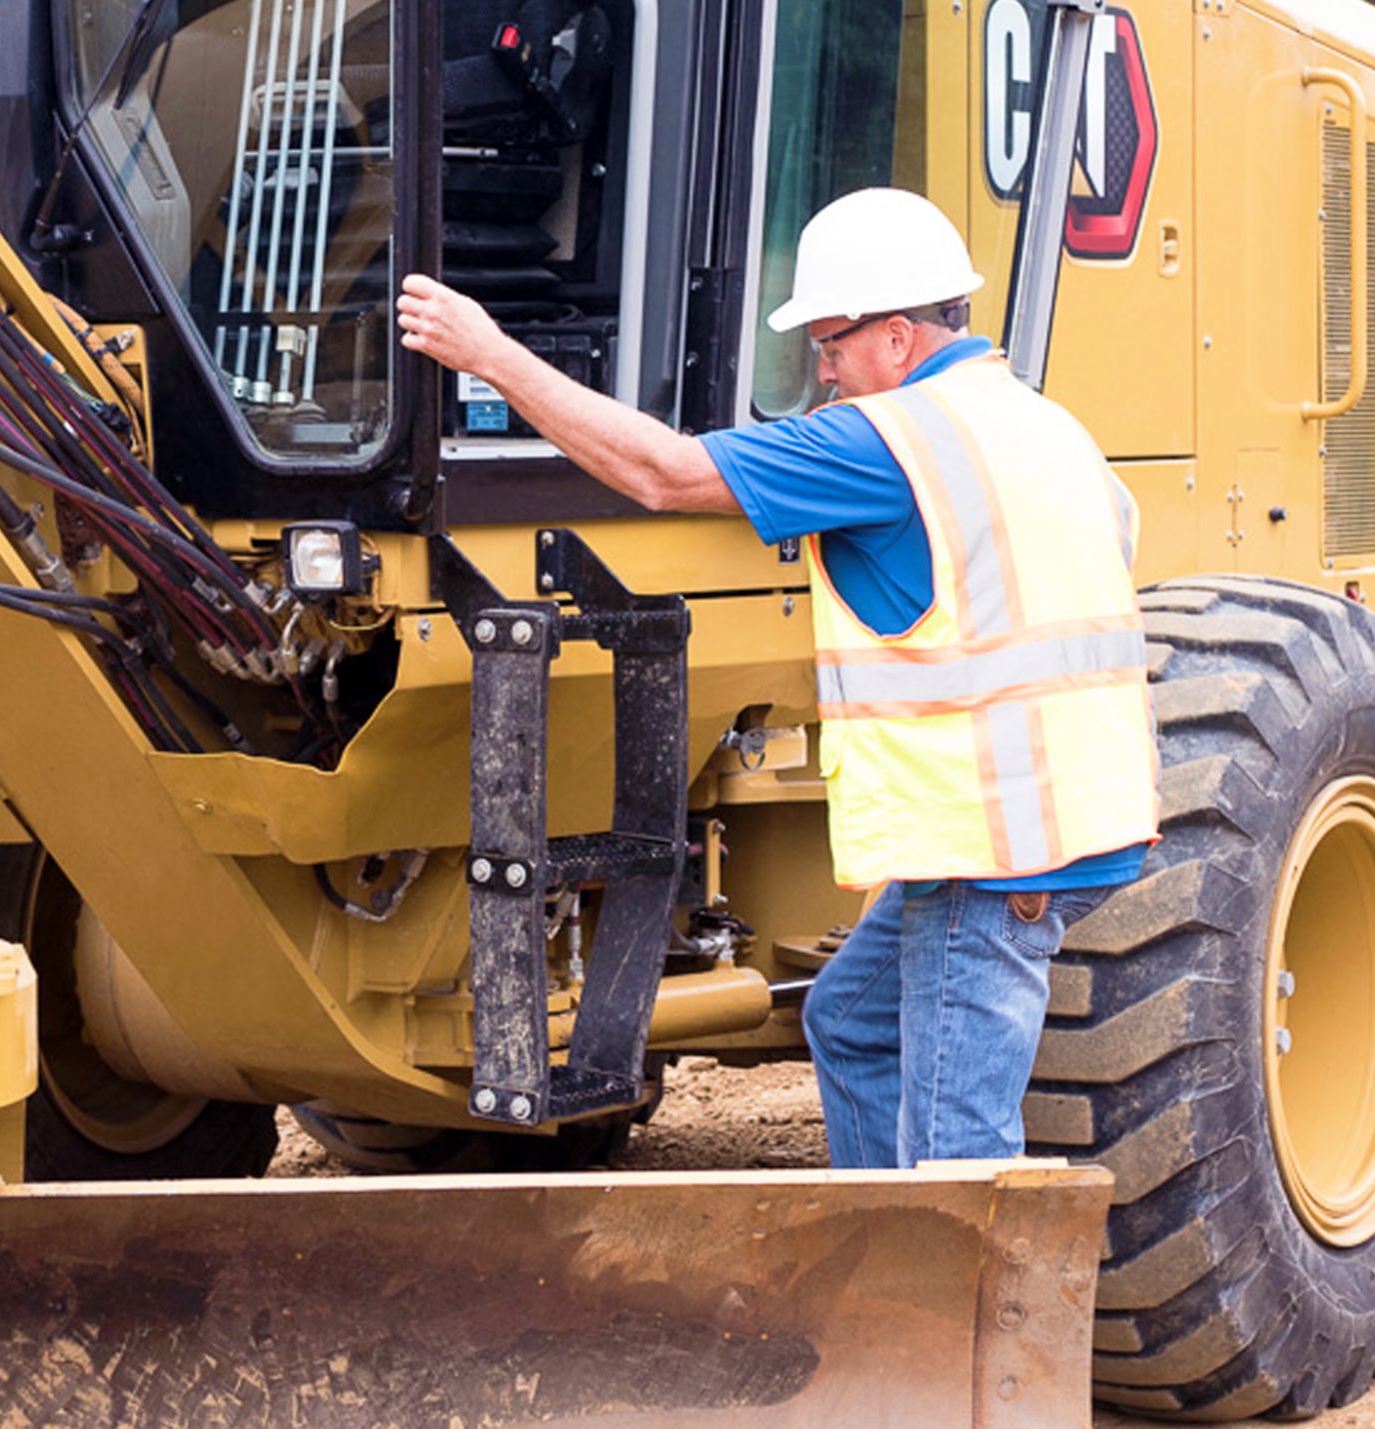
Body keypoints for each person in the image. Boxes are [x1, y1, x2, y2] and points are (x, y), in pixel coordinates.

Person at [396, 187, 1158, 1169]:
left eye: (830, 343)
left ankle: (943, 1313)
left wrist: (488, 355)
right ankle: (890, 1266)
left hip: (995, 846)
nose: (822, 370)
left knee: (956, 1151)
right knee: (849, 1021)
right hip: (1067, 818)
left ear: (894, 336)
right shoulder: (1040, 425)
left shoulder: (885, 441)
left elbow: (664, 474)